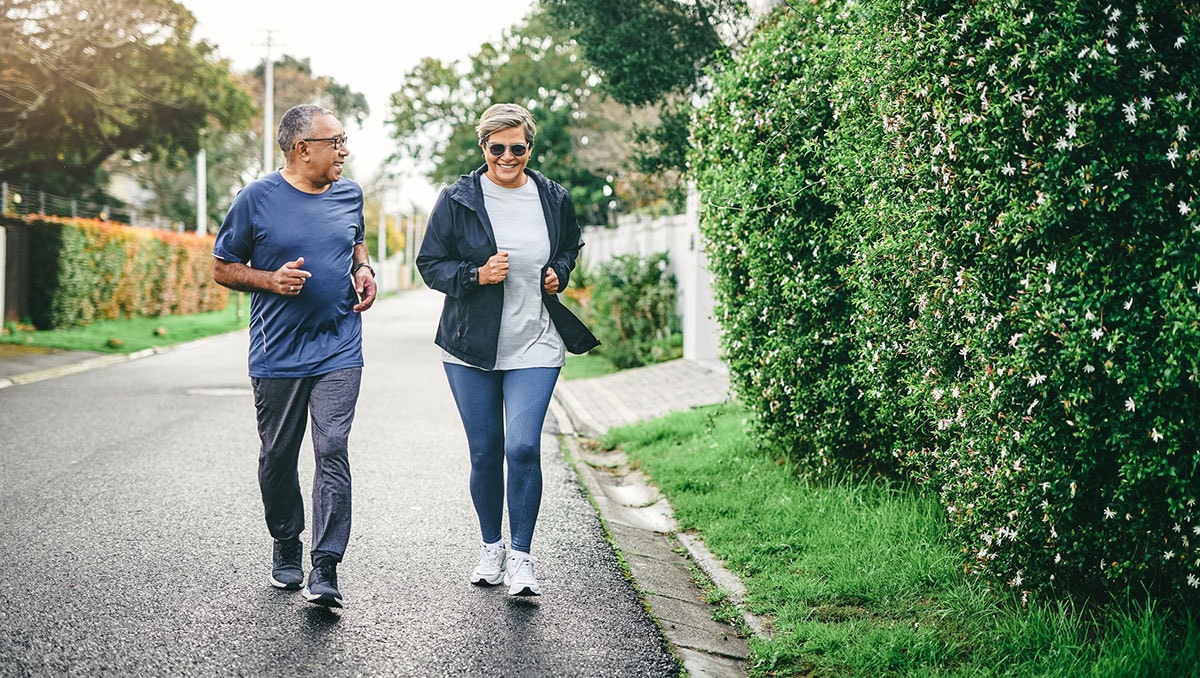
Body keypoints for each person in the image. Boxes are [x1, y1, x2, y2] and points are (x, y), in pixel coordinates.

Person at [416, 103, 599, 597]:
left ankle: (521, 557)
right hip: (469, 346)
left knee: (522, 446)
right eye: (497, 148)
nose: (507, 157)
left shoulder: (552, 196)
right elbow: (430, 264)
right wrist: (475, 275)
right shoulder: (457, 199)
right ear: (483, 147)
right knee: (485, 452)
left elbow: (569, 245)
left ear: (529, 148)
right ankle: (491, 547)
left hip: (535, 340)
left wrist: (561, 270)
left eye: (517, 148)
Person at [211, 103, 376, 608]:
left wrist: (364, 269)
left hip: (339, 344)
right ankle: (286, 538)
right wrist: (269, 280)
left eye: (345, 140)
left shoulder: (350, 193)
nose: (345, 151)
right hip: (277, 351)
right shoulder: (256, 199)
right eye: (337, 142)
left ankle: (325, 567)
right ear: (303, 149)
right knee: (278, 456)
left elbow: (357, 242)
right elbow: (222, 266)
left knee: (332, 447)